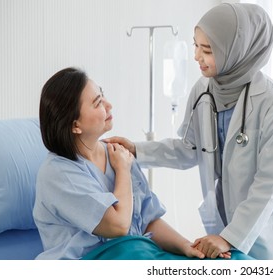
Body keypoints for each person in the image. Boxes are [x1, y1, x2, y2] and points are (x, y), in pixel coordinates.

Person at [105, 3, 273, 260]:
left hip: (266, 230)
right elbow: (188, 149)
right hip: (223, 226)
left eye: (207, 50)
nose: (196, 56)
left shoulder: (272, 102)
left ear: (235, 52)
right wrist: (137, 150)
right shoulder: (203, 90)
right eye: (195, 46)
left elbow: (269, 182)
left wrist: (230, 237)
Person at [33, 67, 208, 260]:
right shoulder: (58, 173)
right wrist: (123, 170)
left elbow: (147, 221)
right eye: (98, 102)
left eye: (103, 96)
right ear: (75, 125)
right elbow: (118, 226)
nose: (109, 105)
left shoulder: (116, 153)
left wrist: (187, 246)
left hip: (137, 252)